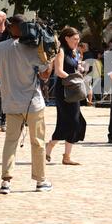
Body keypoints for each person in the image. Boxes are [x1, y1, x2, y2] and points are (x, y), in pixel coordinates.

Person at [0, 14, 53, 194]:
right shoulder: (33, 48)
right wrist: (49, 58)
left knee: (10, 142)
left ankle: (6, 182)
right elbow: (44, 75)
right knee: (38, 142)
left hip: (11, 102)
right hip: (32, 102)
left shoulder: (0, 47)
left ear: (10, 27)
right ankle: (40, 181)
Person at [45, 27, 86, 166]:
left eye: (78, 39)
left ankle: (66, 156)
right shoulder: (61, 50)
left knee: (75, 122)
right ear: (67, 38)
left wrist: (79, 69)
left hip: (73, 89)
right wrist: (73, 77)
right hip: (64, 90)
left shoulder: (73, 52)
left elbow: (73, 67)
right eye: (75, 39)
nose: (77, 41)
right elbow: (58, 71)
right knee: (69, 122)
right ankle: (50, 145)